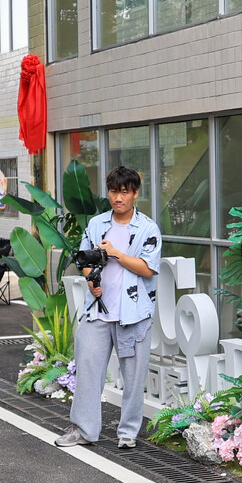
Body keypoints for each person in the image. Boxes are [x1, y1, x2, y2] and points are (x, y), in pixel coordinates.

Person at [56, 165, 162, 452]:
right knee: (88, 371)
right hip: (97, 311)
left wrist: (115, 253)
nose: (118, 198)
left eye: (124, 192)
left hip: (133, 314)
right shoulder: (97, 224)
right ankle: (84, 429)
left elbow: (148, 269)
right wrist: (91, 281)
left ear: (135, 193)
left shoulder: (147, 228)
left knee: (133, 378)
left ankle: (127, 433)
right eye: (114, 191)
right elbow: (84, 259)